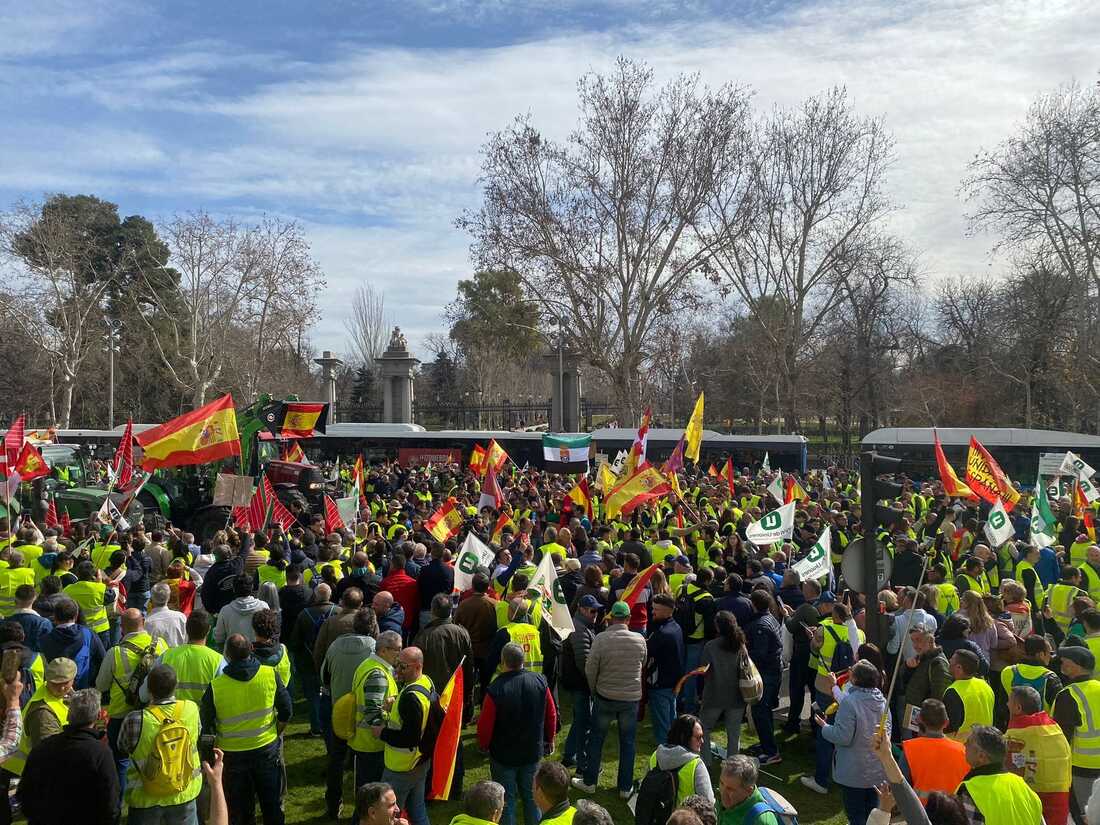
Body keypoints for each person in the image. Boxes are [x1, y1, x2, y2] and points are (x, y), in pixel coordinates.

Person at [201, 633, 293, 825]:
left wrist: (209, 756)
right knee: (272, 806)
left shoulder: (216, 686)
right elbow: (286, 710)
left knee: (240, 811)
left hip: (233, 756)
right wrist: (276, 731)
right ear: (251, 648)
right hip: (266, 750)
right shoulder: (269, 675)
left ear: (227, 656)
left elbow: (206, 724)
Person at [96, 607, 170, 803]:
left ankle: (119, 803)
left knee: (120, 762)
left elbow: (101, 685)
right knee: (155, 756)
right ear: (143, 622)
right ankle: (159, 794)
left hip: (122, 714)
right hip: (152, 711)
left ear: (122, 628)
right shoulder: (161, 644)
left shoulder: (115, 653)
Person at [478, 643, 557, 825]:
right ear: (523, 661)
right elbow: (551, 714)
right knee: (533, 799)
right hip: (532, 752)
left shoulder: (495, 689)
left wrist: (483, 745)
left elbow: (485, 725)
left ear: (502, 661)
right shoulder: (540, 682)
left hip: (504, 756)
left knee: (506, 802)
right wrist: (550, 738)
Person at [574, 601, 646, 797]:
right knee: (628, 743)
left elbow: (590, 669)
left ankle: (589, 782)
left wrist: (594, 689)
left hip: (605, 696)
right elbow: (643, 663)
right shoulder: (640, 640)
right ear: (629, 619)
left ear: (612, 618)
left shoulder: (601, 639)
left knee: (596, 739)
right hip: (629, 699)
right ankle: (625, 787)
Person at [18, 688, 119, 825]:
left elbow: (24, 794)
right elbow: (110, 804)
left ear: (68, 716)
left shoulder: (43, 747)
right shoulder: (100, 753)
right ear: (98, 717)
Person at [118, 663, 203, 823]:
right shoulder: (191, 709)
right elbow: (197, 734)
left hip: (145, 798)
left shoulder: (135, 719)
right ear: (175, 686)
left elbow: (122, 747)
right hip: (184, 793)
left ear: (149, 690)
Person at [814, 659, 890, 825]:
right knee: (873, 815)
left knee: (856, 816)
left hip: (855, 771)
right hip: (877, 771)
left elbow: (843, 737)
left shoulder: (850, 703)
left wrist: (825, 727)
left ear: (855, 679)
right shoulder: (884, 703)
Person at [322, 607, 378, 819]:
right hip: (365, 716)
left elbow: (324, 676)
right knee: (364, 765)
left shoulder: (335, 645)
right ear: (373, 627)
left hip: (339, 713)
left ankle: (333, 804)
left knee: (336, 760)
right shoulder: (375, 648)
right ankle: (364, 810)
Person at [374, 646, 434, 825]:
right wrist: (396, 704)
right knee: (418, 809)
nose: (397, 670)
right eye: (397, 664)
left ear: (417, 666)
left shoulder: (410, 698)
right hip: (420, 761)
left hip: (401, 767)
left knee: (389, 816)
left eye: (403, 667)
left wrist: (382, 733)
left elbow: (409, 738)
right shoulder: (426, 682)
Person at [1004, 685, 1071, 825]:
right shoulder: (1054, 727)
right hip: (1059, 794)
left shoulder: (1015, 735)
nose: (1006, 704)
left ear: (1018, 708)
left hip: (1030, 796)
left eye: (1009, 701)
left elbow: (1011, 768)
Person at [956, 725, 1044, 825]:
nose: (964, 744)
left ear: (981, 756)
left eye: (969, 742)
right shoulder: (1024, 788)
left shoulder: (970, 791)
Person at [1051, 644, 1100, 821]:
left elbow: (1061, 739)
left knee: (1084, 816)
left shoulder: (1067, 695)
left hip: (1082, 768)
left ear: (1074, 666)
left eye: (1063, 661)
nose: (1060, 665)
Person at [699, 610, 749, 769]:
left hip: (714, 695)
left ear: (718, 627)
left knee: (704, 729)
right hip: (737, 696)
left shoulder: (711, 646)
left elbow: (704, 671)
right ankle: (733, 767)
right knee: (734, 734)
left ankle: (706, 761)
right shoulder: (740, 644)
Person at [897, 698, 970, 804]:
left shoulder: (910, 749)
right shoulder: (963, 751)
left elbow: (901, 786)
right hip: (954, 812)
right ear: (946, 723)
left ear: (918, 720)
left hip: (920, 812)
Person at [744, 589, 782, 765]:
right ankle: (766, 744)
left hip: (766, 673)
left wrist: (743, 653)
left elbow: (760, 653)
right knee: (762, 712)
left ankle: (771, 752)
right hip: (772, 671)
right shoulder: (771, 618)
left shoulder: (760, 626)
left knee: (761, 712)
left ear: (753, 604)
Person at [561, 594, 598, 776]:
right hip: (580, 683)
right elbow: (583, 662)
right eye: (592, 610)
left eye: (597, 610)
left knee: (580, 720)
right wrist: (593, 685)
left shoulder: (583, 626)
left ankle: (569, 755)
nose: (595, 613)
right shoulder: (580, 629)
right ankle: (577, 759)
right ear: (582, 609)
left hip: (579, 682)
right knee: (583, 721)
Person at [412, 592, 472, 701]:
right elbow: (469, 666)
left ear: (432, 611)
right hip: (455, 694)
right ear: (450, 610)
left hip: (431, 695)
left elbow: (415, 668)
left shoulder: (423, 636)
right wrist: (468, 693)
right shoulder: (462, 633)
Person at [36, 595, 105, 688]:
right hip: (81, 691)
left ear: (55, 617)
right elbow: (102, 660)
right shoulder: (88, 634)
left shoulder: (44, 640)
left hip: (54, 691)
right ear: (76, 616)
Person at [645, 591, 684, 749]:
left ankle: (665, 760)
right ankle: (675, 749)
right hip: (674, 683)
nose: (652, 612)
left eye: (656, 609)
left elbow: (647, 652)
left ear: (668, 610)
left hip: (660, 685)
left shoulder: (662, 633)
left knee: (662, 728)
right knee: (671, 722)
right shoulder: (675, 627)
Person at [649, 714, 714, 808]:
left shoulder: (656, 755)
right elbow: (709, 804)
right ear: (684, 737)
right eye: (698, 737)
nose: (702, 741)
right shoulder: (696, 765)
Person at [160, 610, 223, 704]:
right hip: (202, 717)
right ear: (209, 630)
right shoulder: (218, 660)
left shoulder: (166, 656)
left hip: (171, 716)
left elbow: (144, 694)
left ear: (186, 628)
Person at [943, 649, 994, 741]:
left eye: (952, 659)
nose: (949, 660)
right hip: (983, 743)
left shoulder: (953, 691)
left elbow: (949, 726)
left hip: (962, 746)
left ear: (959, 668)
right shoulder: (985, 685)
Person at [1000, 634, 1062, 711]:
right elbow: (1058, 709)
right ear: (1041, 655)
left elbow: (1002, 704)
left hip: (1014, 722)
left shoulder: (1008, 672)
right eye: (1050, 652)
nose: (1051, 656)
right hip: (1042, 722)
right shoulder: (1051, 678)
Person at [716, 755, 780, 825]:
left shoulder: (762, 821)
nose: (723, 793)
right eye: (721, 783)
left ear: (748, 791)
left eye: (730, 789)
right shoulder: (720, 797)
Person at [212, 574, 267, 648]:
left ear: (234, 589)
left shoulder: (225, 610)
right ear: (252, 587)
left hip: (233, 655)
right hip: (257, 654)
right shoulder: (263, 606)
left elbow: (219, 638)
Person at [145, 581, 188, 647]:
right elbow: (186, 640)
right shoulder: (181, 617)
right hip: (179, 655)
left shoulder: (147, 622)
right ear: (169, 598)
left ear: (151, 599)